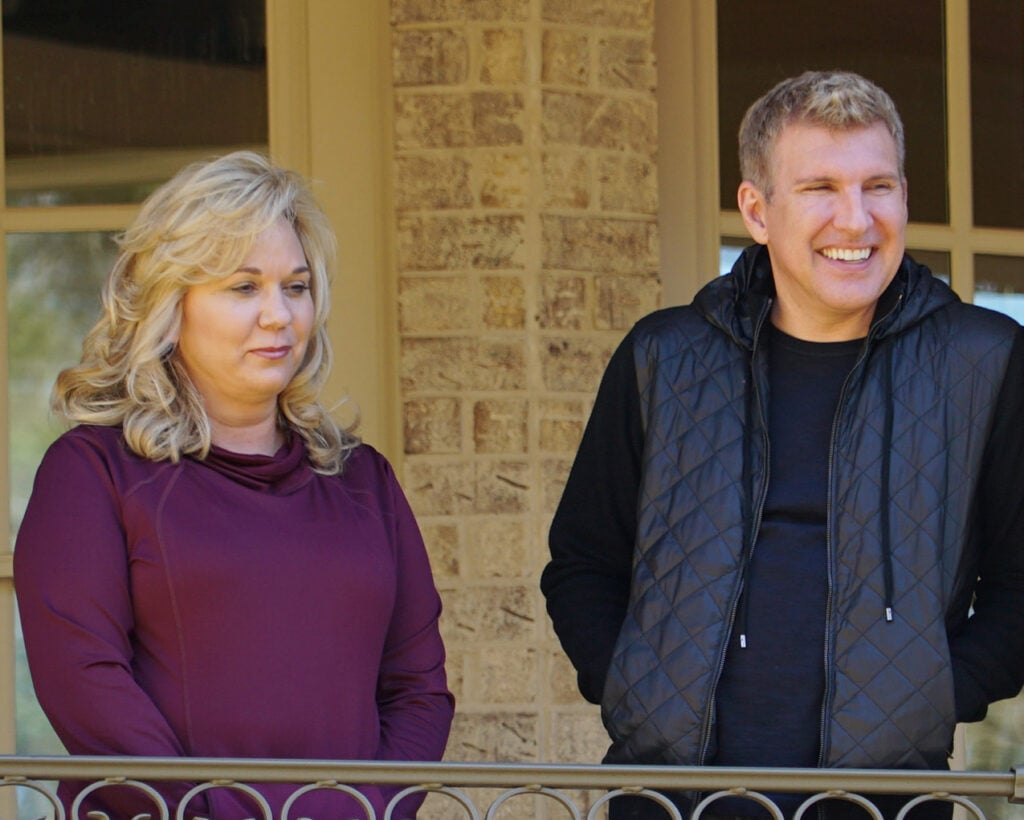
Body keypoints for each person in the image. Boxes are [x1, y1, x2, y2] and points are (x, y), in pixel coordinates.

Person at [541, 70, 1024, 819]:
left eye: (879, 186)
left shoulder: (985, 363)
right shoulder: (662, 358)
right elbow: (582, 563)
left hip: (883, 803)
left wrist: (932, 694)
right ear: (757, 211)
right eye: (821, 188)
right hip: (675, 802)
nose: (856, 220)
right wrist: (634, 684)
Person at [14, 151, 455, 819]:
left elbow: (417, 689)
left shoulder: (364, 482)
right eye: (243, 287)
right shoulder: (93, 473)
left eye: (297, 287)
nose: (279, 315)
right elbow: (86, 686)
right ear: (171, 303)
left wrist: (370, 814)